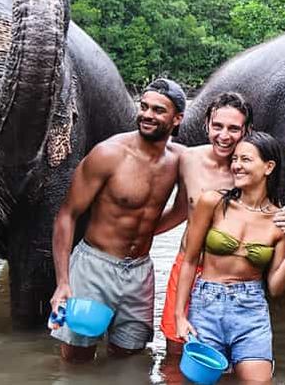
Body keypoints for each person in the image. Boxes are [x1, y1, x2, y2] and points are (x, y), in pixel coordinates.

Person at [48, 78, 186, 363]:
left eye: (159, 110)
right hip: (94, 267)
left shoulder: (180, 161)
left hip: (140, 272)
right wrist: (63, 282)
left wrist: (147, 232)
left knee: (129, 357)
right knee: (77, 357)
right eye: (144, 106)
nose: (147, 114)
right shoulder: (109, 154)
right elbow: (67, 214)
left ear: (177, 118)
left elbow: (183, 209)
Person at [175, 132, 285, 383]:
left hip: (251, 310)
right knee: (200, 380)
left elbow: (276, 288)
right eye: (235, 159)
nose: (236, 165)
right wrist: (180, 316)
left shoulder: (280, 220)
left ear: (268, 167)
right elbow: (190, 260)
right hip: (206, 305)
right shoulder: (212, 202)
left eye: (245, 159)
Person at [154, 92, 254, 355]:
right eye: (218, 126)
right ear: (207, 124)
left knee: (220, 358)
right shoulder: (188, 159)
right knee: (175, 351)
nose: (224, 135)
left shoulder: (251, 170)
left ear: (247, 131)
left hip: (227, 277)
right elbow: (180, 211)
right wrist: (142, 234)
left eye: (234, 129)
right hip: (186, 266)